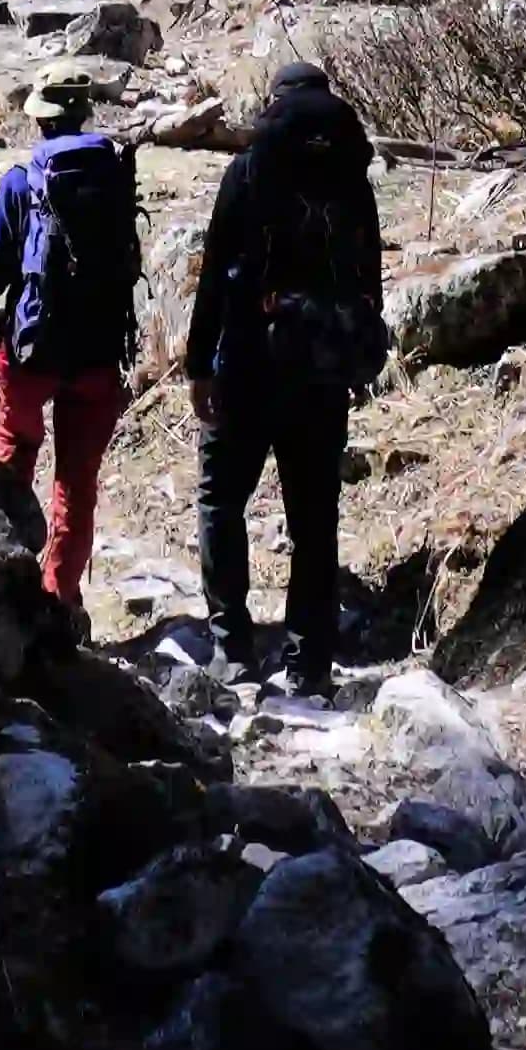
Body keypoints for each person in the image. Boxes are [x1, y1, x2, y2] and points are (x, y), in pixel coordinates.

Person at [183, 58, 387, 697]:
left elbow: (216, 273)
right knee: (314, 521)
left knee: (222, 501)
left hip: (247, 361)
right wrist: (356, 359)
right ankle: (308, 665)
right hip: (322, 371)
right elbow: (369, 281)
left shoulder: (249, 167)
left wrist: (197, 366)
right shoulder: (353, 177)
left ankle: (232, 647)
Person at [0, 69, 142, 614]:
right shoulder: (114, 176)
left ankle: (7, 590)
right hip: (98, 352)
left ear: (40, 118)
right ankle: (60, 599)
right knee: (76, 485)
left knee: (14, 457)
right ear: (85, 114)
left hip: (31, 353)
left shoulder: (22, 182)